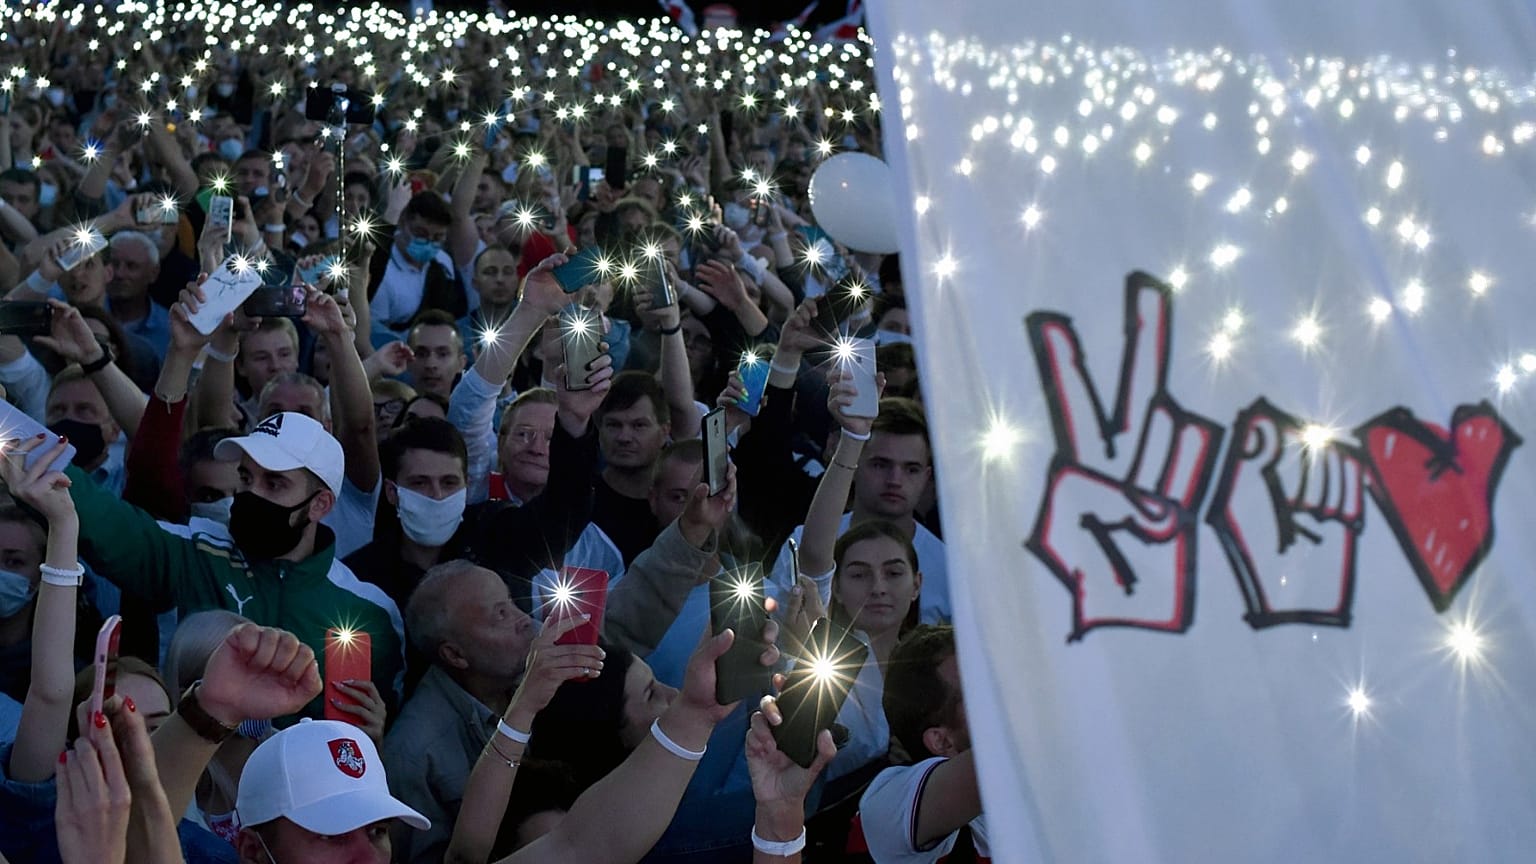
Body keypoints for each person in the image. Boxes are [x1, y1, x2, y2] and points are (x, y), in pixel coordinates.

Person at [769, 397, 951, 625]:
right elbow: (776, 629)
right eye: (880, 465)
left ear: (927, 477)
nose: (895, 480)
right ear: (856, 465)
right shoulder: (802, 542)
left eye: (911, 469)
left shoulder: (949, 568)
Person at [858, 626, 990, 863]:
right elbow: (1002, 763)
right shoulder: (889, 801)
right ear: (941, 741)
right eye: (977, 688)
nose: (998, 691)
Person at [406, 310, 467, 400]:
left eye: (442, 354)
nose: (431, 365)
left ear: (461, 363)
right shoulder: (388, 412)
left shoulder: (479, 413)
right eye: (421, 354)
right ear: (407, 361)